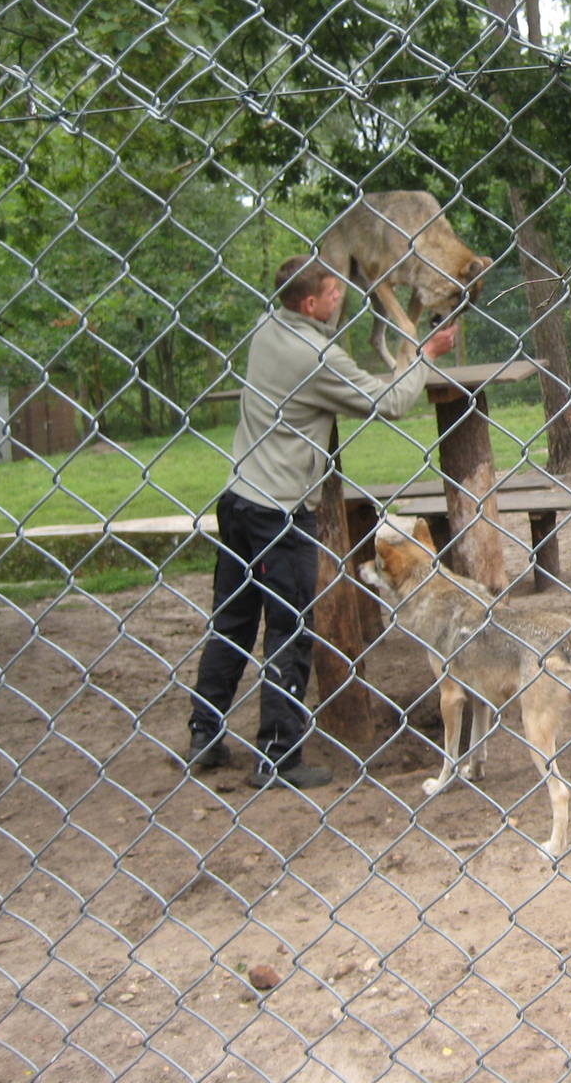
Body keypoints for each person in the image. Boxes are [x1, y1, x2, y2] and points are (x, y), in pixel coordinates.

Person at [182, 254, 459, 789]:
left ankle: (204, 734)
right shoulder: (316, 355)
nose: (341, 300)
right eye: (334, 294)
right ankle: (278, 758)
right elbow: (392, 402)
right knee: (290, 632)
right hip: (278, 514)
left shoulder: (268, 327)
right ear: (310, 303)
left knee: (232, 622)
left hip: (238, 500)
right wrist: (422, 355)